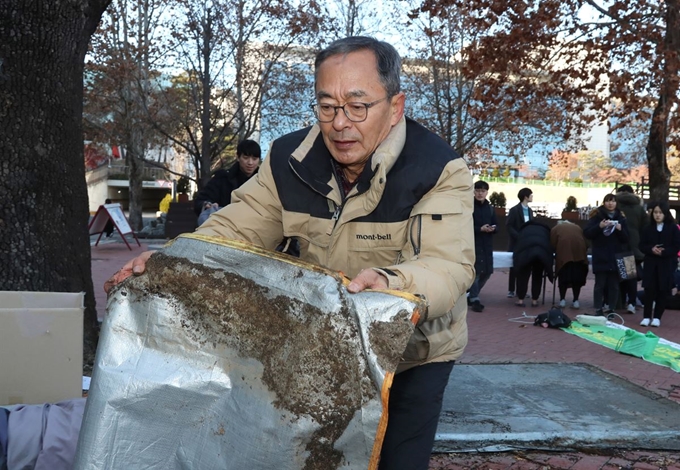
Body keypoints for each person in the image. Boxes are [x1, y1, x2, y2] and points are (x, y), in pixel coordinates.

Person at [105, 36, 475, 470]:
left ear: (395, 107)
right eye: (327, 106)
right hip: (322, 341)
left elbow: (448, 266)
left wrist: (390, 285)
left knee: (396, 459)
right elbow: (235, 227)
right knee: (314, 455)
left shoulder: (439, 169)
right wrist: (173, 260)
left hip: (413, 353)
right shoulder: (287, 159)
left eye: (358, 105)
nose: (340, 123)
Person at [193, 139, 261, 225]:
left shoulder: (263, 182)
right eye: (246, 158)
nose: (250, 163)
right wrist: (207, 205)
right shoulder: (222, 178)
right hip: (225, 228)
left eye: (254, 159)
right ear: (238, 157)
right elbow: (200, 200)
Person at [583, 193, 630, 316]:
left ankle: (612, 309)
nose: (611, 204)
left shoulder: (621, 217)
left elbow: (626, 238)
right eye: (608, 201)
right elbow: (587, 233)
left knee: (614, 285)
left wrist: (620, 229)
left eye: (613, 201)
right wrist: (599, 226)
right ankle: (598, 308)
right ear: (604, 202)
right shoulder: (596, 216)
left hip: (615, 256)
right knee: (600, 284)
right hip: (601, 255)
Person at [638, 202, 680, 327]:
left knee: (663, 290)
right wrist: (651, 249)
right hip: (651, 262)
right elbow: (642, 245)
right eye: (655, 212)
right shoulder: (647, 228)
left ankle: (657, 317)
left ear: (665, 214)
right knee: (649, 290)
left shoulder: (673, 228)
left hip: (666, 263)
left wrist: (664, 252)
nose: (657, 215)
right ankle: (646, 316)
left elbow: (676, 245)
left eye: (660, 212)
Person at [615, 184, 649, 313]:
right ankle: (632, 303)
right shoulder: (639, 208)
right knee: (631, 276)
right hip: (633, 246)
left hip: (617, 246)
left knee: (618, 276)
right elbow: (645, 226)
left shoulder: (615, 206)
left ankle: (620, 301)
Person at [469, 180, 498, 312]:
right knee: (475, 272)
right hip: (473, 243)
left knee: (487, 272)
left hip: (487, 244)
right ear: (473, 191)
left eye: (483, 191)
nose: (480, 193)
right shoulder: (469, 206)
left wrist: (493, 228)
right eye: (477, 190)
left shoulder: (490, 208)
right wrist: (479, 229)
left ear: (487, 192)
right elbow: (464, 225)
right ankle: (474, 298)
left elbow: (496, 224)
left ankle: (472, 295)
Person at [512, 220, 553, 307]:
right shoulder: (545, 230)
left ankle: (521, 300)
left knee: (523, 276)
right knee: (537, 276)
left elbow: (518, 245)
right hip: (541, 254)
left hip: (526, 253)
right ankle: (534, 300)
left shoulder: (524, 229)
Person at [550, 220, 588, 309]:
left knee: (563, 278)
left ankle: (562, 300)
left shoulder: (556, 228)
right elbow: (586, 242)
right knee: (576, 279)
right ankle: (576, 301)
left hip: (564, 255)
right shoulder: (577, 227)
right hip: (579, 255)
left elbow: (552, 243)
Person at [506, 187, 534, 299]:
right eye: (531, 195)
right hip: (516, 243)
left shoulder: (530, 211)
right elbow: (509, 225)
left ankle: (522, 291)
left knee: (525, 267)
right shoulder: (514, 210)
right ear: (525, 196)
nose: (532, 197)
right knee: (513, 267)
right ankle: (511, 290)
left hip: (527, 243)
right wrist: (518, 236)